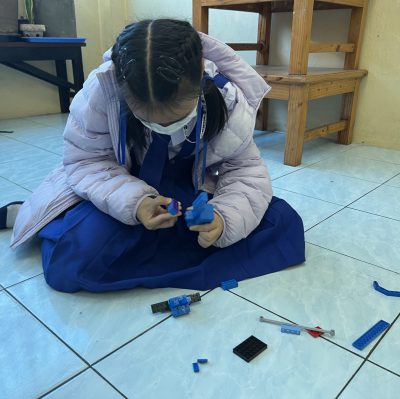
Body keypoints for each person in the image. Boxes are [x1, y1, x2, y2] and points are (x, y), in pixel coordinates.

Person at [2, 19, 305, 293]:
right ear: (122, 90)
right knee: (73, 261)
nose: (163, 127)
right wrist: (136, 204)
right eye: (148, 119)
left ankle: (142, 246)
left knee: (282, 222)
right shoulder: (101, 94)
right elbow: (87, 162)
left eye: (177, 118)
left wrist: (224, 219)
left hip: (190, 188)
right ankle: (46, 217)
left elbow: (245, 171)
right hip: (122, 182)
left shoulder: (227, 102)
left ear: (200, 77)